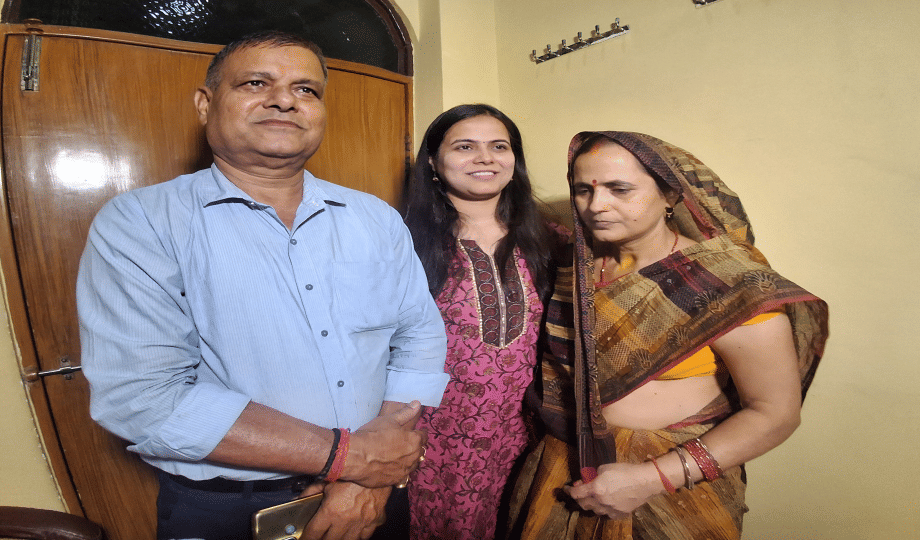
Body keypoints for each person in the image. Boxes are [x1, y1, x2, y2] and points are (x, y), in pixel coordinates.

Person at [76, 31, 449, 540]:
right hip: (230, 511)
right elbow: (143, 396)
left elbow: (419, 339)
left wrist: (370, 478)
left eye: (307, 90)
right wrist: (352, 458)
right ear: (206, 105)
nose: (284, 99)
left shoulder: (374, 218)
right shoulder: (143, 222)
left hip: (375, 496)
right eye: (256, 83)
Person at [509, 131, 829, 539]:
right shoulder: (575, 270)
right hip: (561, 468)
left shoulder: (726, 286)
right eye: (583, 190)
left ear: (670, 197)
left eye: (619, 189)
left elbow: (775, 413)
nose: (597, 205)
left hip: (672, 485)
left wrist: (649, 479)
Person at [402, 104, 567, 540]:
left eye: (499, 146)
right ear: (434, 163)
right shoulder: (402, 241)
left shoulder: (553, 239)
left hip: (523, 435)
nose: (485, 158)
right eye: (465, 147)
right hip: (430, 441)